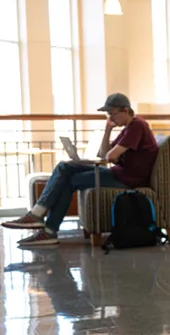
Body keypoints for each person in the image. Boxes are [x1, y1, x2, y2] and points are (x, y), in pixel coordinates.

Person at [3, 93, 158, 247]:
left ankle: (46, 227)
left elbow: (110, 157)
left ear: (125, 110)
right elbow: (105, 154)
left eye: (113, 114)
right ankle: (41, 220)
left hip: (127, 179)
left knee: (70, 178)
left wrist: (113, 156)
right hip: (119, 173)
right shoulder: (127, 128)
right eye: (108, 115)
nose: (111, 118)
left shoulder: (137, 126)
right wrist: (108, 130)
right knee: (65, 167)